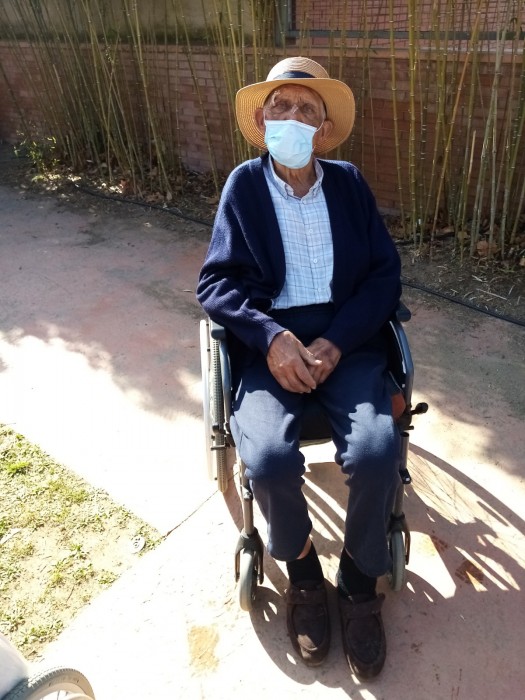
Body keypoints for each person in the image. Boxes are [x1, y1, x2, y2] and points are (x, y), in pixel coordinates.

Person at [197, 56, 402, 680]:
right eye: (280, 106)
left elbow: (383, 276)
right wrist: (271, 338)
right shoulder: (243, 187)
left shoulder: (348, 184)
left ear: (323, 128)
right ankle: (304, 568)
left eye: (306, 109)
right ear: (263, 122)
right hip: (271, 348)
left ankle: (359, 576)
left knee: (377, 452)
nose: (292, 116)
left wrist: (337, 342)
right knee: (266, 461)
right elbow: (216, 283)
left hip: (347, 343)